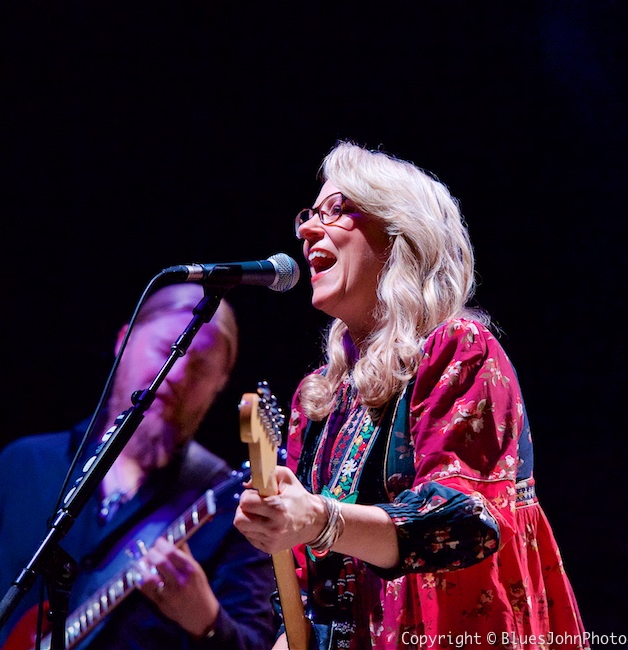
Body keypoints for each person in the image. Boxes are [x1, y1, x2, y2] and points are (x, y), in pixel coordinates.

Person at [234, 140, 588, 649]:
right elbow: (315, 586)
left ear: (401, 235)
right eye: (310, 214)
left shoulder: (459, 350)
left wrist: (318, 519)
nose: (309, 229)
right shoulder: (320, 397)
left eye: (337, 211)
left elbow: (466, 519)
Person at [0, 283, 277, 649]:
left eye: (201, 367)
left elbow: (255, 643)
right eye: (167, 350)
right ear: (124, 341)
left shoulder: (231, 508)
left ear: (220, 385)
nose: (177, 375)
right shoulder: (24, 465)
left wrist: (206, 621)